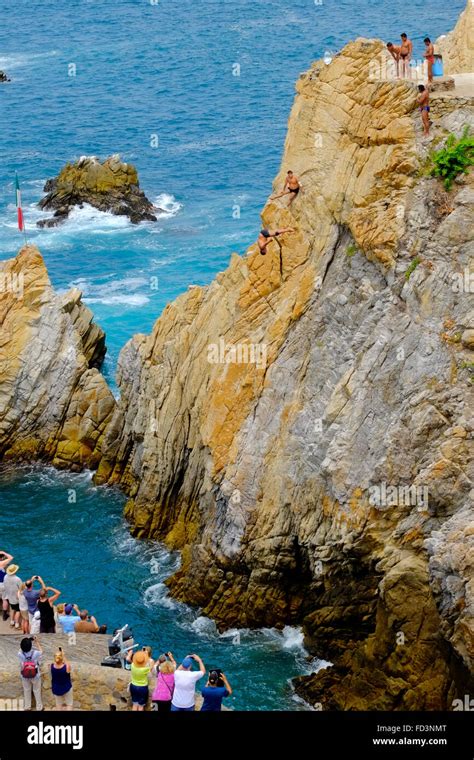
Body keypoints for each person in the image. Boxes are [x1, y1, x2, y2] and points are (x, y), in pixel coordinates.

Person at [18, 636, 43, 711]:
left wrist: (26, 641)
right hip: (35, 675)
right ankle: (39, 707)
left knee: (26, 690)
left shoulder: (19, 654)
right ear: (31, 646)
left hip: (24, 676)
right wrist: (36, 641)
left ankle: (27, 707)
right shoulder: (35, 653)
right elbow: (41, 650)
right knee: (37, 690)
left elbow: (20, 649)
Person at [3, 564, 22, 629]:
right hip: (16, 598)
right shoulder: (17, 579)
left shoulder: (5, 576)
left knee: (12, 609)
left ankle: (12, 622)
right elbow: (21, 588)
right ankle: (16, 624)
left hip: (10, 596)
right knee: (18, 610)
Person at [0, 550, 14, 621]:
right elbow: (11, 558)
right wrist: (3, 553)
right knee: (4, 599)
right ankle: (4, 615)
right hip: (2, 584)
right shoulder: (1, 563)